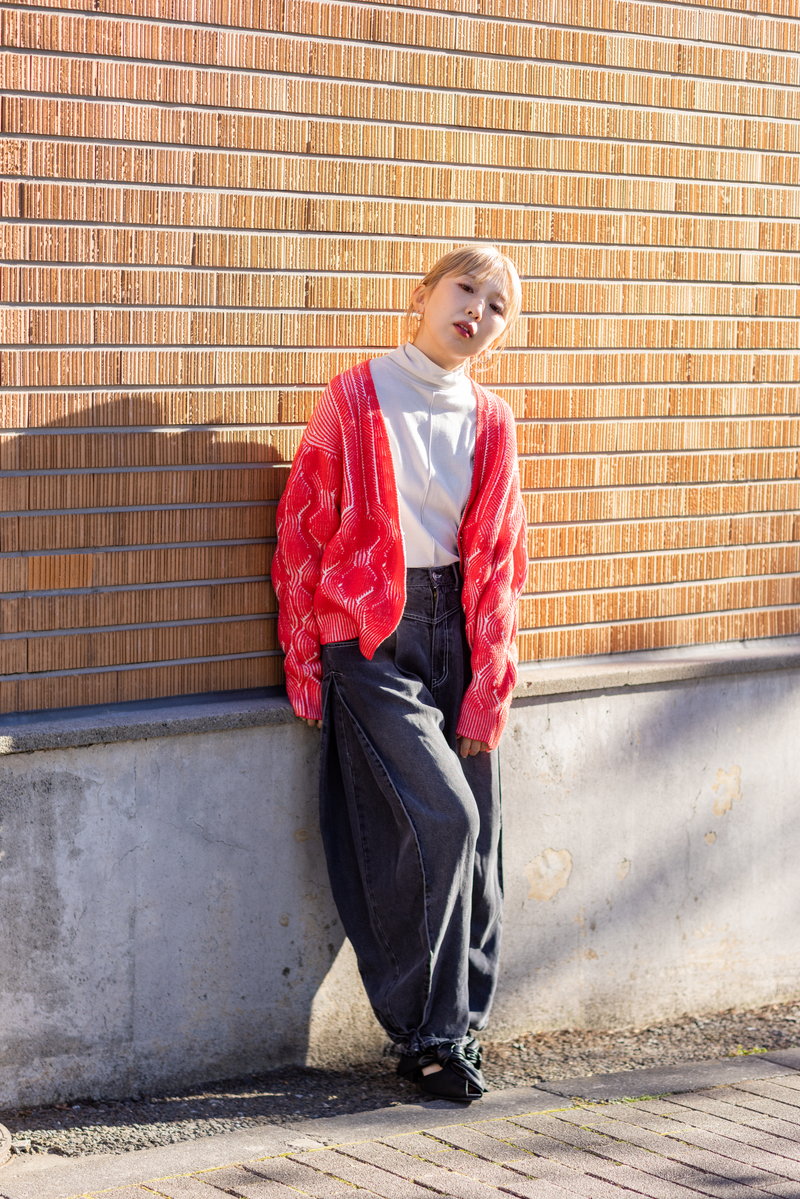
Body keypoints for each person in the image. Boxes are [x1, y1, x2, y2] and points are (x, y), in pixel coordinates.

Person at [272, 244, 528, 1102]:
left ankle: (459, 1029)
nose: (477, 311)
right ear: (423, 295)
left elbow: (502, 561)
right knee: (445, 818)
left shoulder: (492, 419)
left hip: (460, 632)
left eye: (497, 306)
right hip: (371, 637)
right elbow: (303, 529)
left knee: (481, 846)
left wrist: (490, 682)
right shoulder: (355, 395)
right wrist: (306, 660)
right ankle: (428, 1034)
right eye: (466, 289)